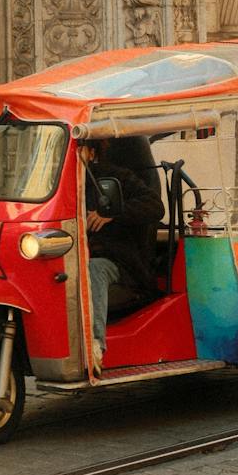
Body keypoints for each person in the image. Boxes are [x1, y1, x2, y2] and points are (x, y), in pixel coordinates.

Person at [81, 136, 165, 373]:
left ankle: (95, 345)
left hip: (120, 263)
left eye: (76, 149)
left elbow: (155, 206)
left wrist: (113, 214)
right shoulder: (59, 185)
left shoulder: (115, 176)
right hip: (74, 257)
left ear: (91, 152)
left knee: (93, 268)